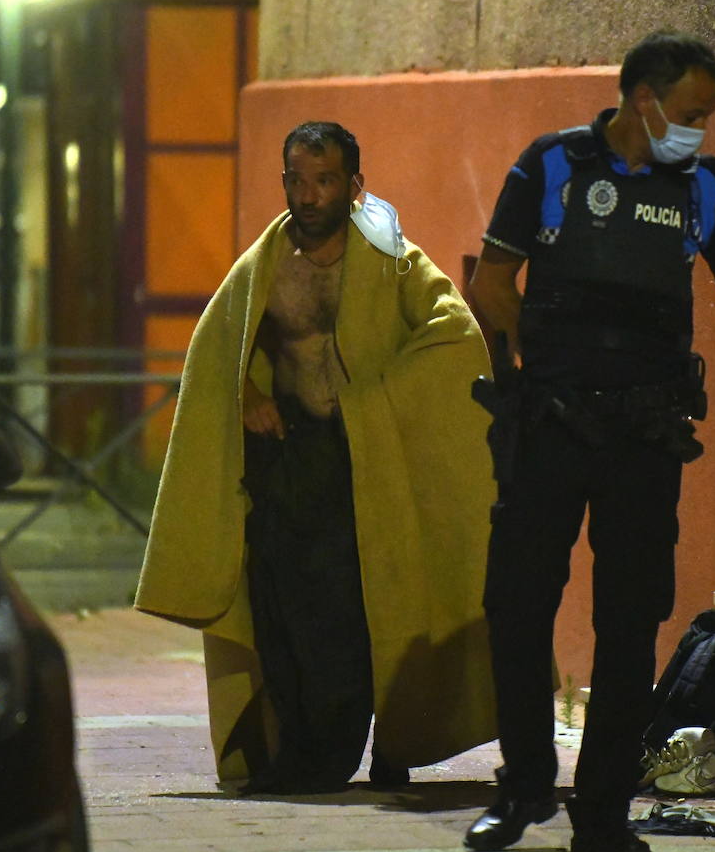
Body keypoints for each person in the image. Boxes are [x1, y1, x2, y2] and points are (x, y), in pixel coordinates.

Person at [462, 32, 715, 852]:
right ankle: (526, 782)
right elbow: (491, 281)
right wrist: (520, 372)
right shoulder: (553, 167)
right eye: (690, 113)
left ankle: (601, 812)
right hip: (553, 426)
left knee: (631, 623)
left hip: (646, 435)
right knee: (516, 607)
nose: (700, 129)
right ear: (643, 101)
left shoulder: (701, 186)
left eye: (706, 115)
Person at [136, 121, 499, 794]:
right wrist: (245, 390)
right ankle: (306, 751)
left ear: (354, 187)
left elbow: (455, 332)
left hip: (368, 462)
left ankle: (378, 742)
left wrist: (380, 406)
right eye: (296, 181)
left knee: (368, 607)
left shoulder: (391, 260)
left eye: (324, 180)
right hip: (293, 456)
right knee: (287, 613)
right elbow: (216, 350)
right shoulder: (265, 265)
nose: (308, 196)